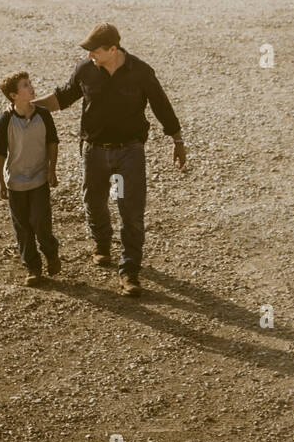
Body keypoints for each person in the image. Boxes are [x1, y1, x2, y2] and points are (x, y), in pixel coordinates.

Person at [34, 24, 185, 297]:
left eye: (95, 50)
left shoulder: (141, 72)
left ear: (113, 49)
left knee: (131, 212)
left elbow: (161, 105)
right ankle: (102, 244)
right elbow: (62, 98)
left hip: (130, 151)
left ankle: (129, 272)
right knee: (93, 201)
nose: (90, 54)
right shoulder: (86, 70)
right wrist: (28, 105)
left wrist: (177, 139)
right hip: (94, 150)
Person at [0, 72, 60, 286]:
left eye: (30, 83)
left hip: (39, 179)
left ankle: (51, 252)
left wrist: (52, 170)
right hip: (15, 183)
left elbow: (53, 142)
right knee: (22, 227)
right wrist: (0, 182)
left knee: (41, 221)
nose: (31, 88)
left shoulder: (43, 114)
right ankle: (33, 267)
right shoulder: (6, 119)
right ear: (14, 95)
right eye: (25, 86)